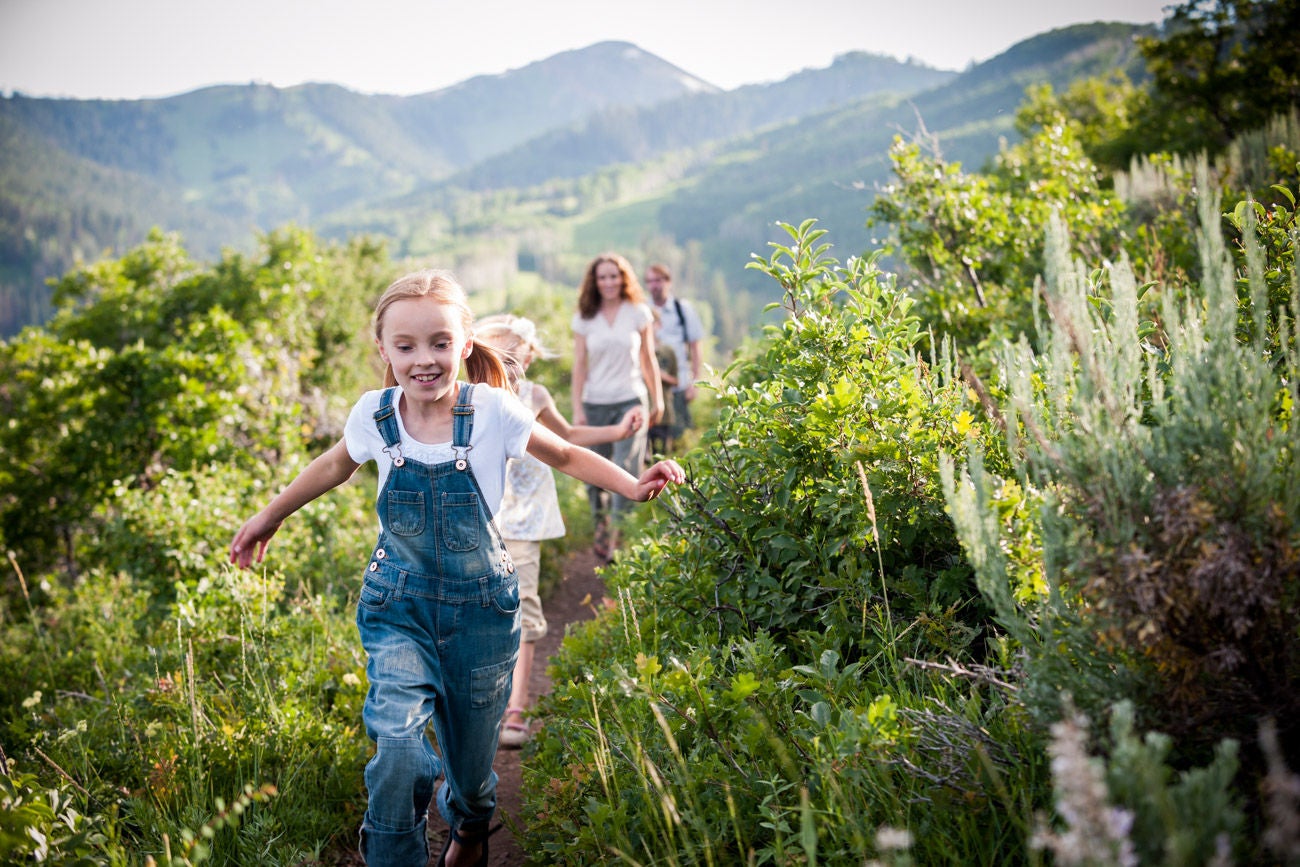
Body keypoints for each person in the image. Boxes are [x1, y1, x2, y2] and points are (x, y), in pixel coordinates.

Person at [228, 269, 684, 867]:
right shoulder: (376, 415)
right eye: (407, 346)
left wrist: (631, 485)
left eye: (440, 343)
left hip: (483, 616)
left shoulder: (492, 409)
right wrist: (270, 515)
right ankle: (395, 851)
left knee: (470, 778)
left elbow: (567, 452)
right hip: (399, 608)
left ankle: (471, 824)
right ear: (385, 351)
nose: (425, 360)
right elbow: (335, 464)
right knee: (396, 749)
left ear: (465, 345)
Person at [473, 313, 643, 749]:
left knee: (520, 606)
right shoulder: (470, 396)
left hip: (525, 519)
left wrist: (618, 430)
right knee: (478, 611)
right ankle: (477, 705)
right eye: (500, 350)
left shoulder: (534, 394)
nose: (510, 360)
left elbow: (567, 439)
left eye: (516, 351)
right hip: (476, 519)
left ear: (529, 354)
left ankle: (517, 708)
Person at [571, 253, 664, 562]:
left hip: (630, 400)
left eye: (614, 276)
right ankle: (600, 525)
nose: (609, 282)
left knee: (626, 468)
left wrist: (657, 398)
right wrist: (577, 408)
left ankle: (615, 540)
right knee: (593, 474)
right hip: (595, 402)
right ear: (594, 282)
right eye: (602, 277)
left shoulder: (638, 313)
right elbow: (579, 366)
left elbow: (649, 360)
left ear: (624, 278)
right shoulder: (585, 318)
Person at [644, 264, 705, 447]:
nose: (654, 286)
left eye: (658, 280)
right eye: (650, 281)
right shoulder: (643, 310)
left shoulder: (682, 309)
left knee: (680, 437)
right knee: (650, 443)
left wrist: (695, 383)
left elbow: (695, 348)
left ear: (668, 282)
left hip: (678, 386)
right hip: (650, 388)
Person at [648, 308, 679, 456]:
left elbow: (676, 380)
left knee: (663, 454)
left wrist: (658, 375)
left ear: (658, 325)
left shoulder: (667, 352)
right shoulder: (635, 349)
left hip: (664, 411)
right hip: (642, 410)